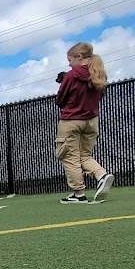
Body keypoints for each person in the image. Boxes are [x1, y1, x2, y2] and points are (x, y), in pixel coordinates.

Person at [54, 42, 112, 204]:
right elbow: (98, 96)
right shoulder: (99, 74)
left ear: (79, 57)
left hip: (71, 121)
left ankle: (78, 194)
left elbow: (60, 100)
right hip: (91, 120)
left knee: (69, 156)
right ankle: (102, 175)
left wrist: (64, 82)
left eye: (70, 59)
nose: (69, 63)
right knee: (85, 155)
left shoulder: (72, 75)